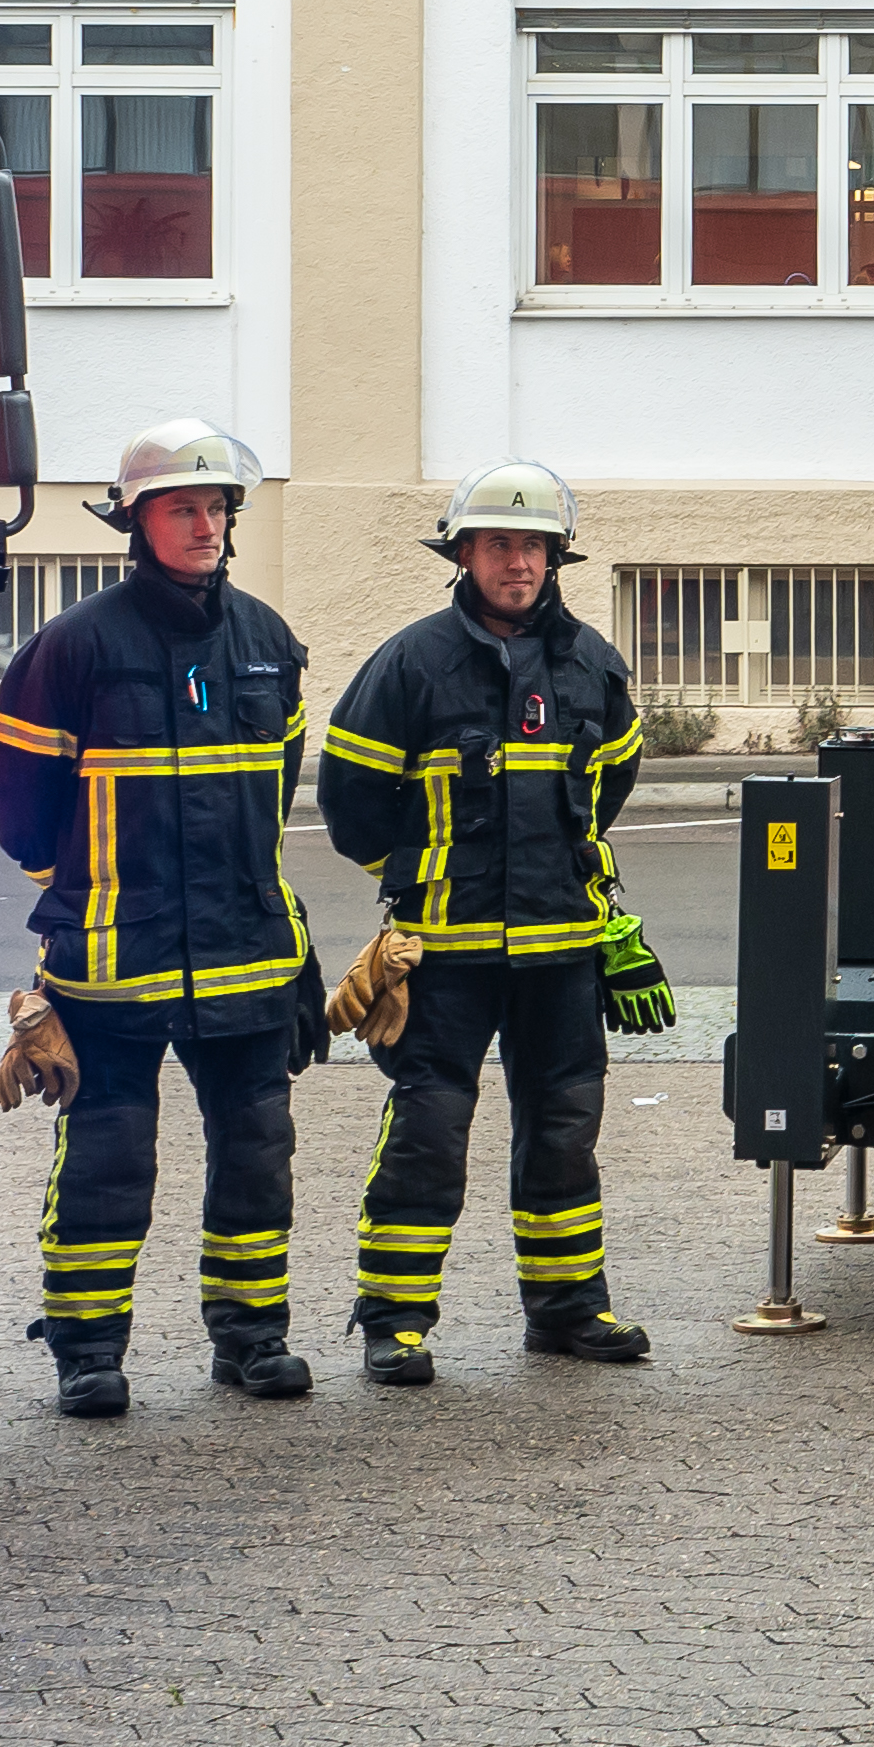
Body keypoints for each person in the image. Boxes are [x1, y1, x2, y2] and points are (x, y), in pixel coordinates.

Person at [0, 419, 323, 1418]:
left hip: (247, 958)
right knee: (107, 1159)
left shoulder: (268, 641)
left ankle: (252, 1338)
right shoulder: (71, 648)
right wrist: (88, 891)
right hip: (112, 970)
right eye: (181, 506)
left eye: (215, 505)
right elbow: (22, 811)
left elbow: (274, 794)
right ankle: (87, 1352)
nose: (203, 522)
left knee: (258, 1153)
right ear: (134, 519)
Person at [317, 460, 666, 1386]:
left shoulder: (593, 663)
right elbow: (350, 802)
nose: (518, 561)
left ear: (556, 558)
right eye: (500, 544)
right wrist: (413, 877)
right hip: (444, 957)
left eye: (534, 546)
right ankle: (393, 1319)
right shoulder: (411, 662)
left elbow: (608, 788)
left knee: (563, 1131)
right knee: (428, 1132)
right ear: (464, 553)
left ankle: (565, 1309)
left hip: (561, 956)